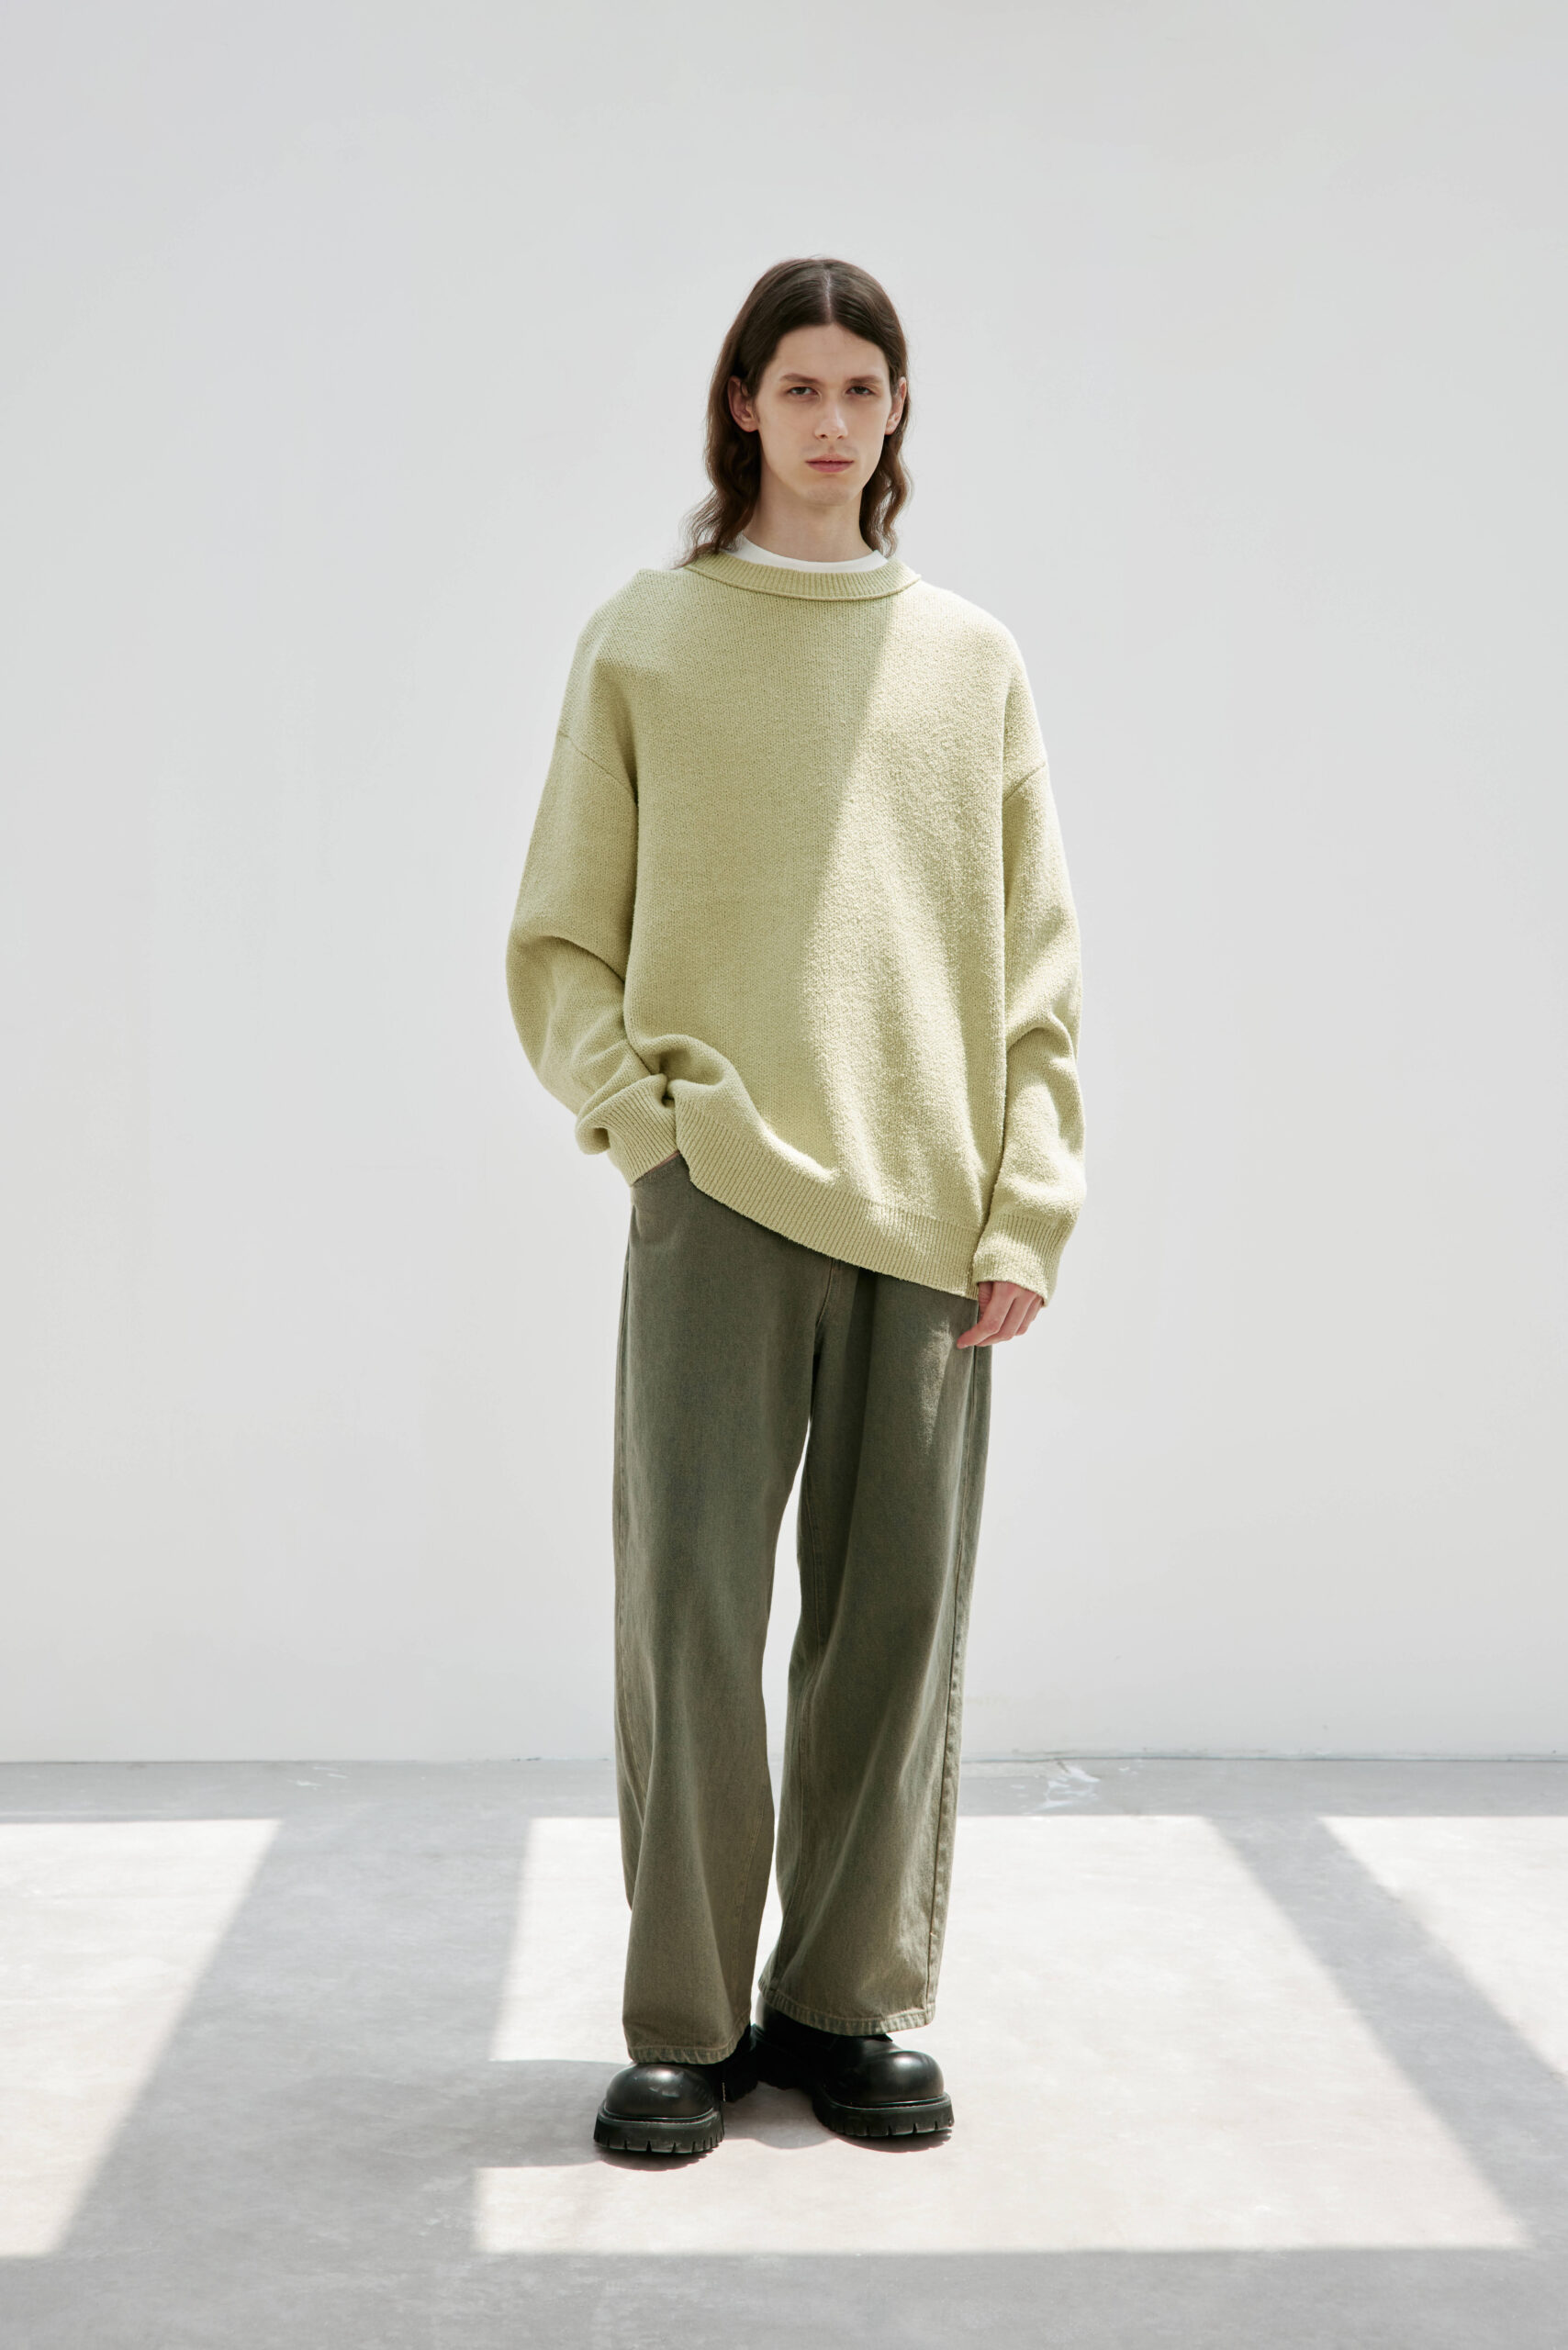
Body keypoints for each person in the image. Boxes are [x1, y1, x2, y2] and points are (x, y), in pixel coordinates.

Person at [506, 257, 1086, 2156]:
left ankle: (847, 2001)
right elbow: (560, 935)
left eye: (863, 385)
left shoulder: (969, 660)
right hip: (717, 1196)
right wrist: (640, 1124)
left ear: (897, 411)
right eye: (799, 385)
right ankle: (684, 2017)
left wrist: (1026, 1204)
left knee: (893, 1625)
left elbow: (1036, 971)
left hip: (928, 1210)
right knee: (688, 1609)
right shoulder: (648, 637)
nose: (832, 418)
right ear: (741, 405)